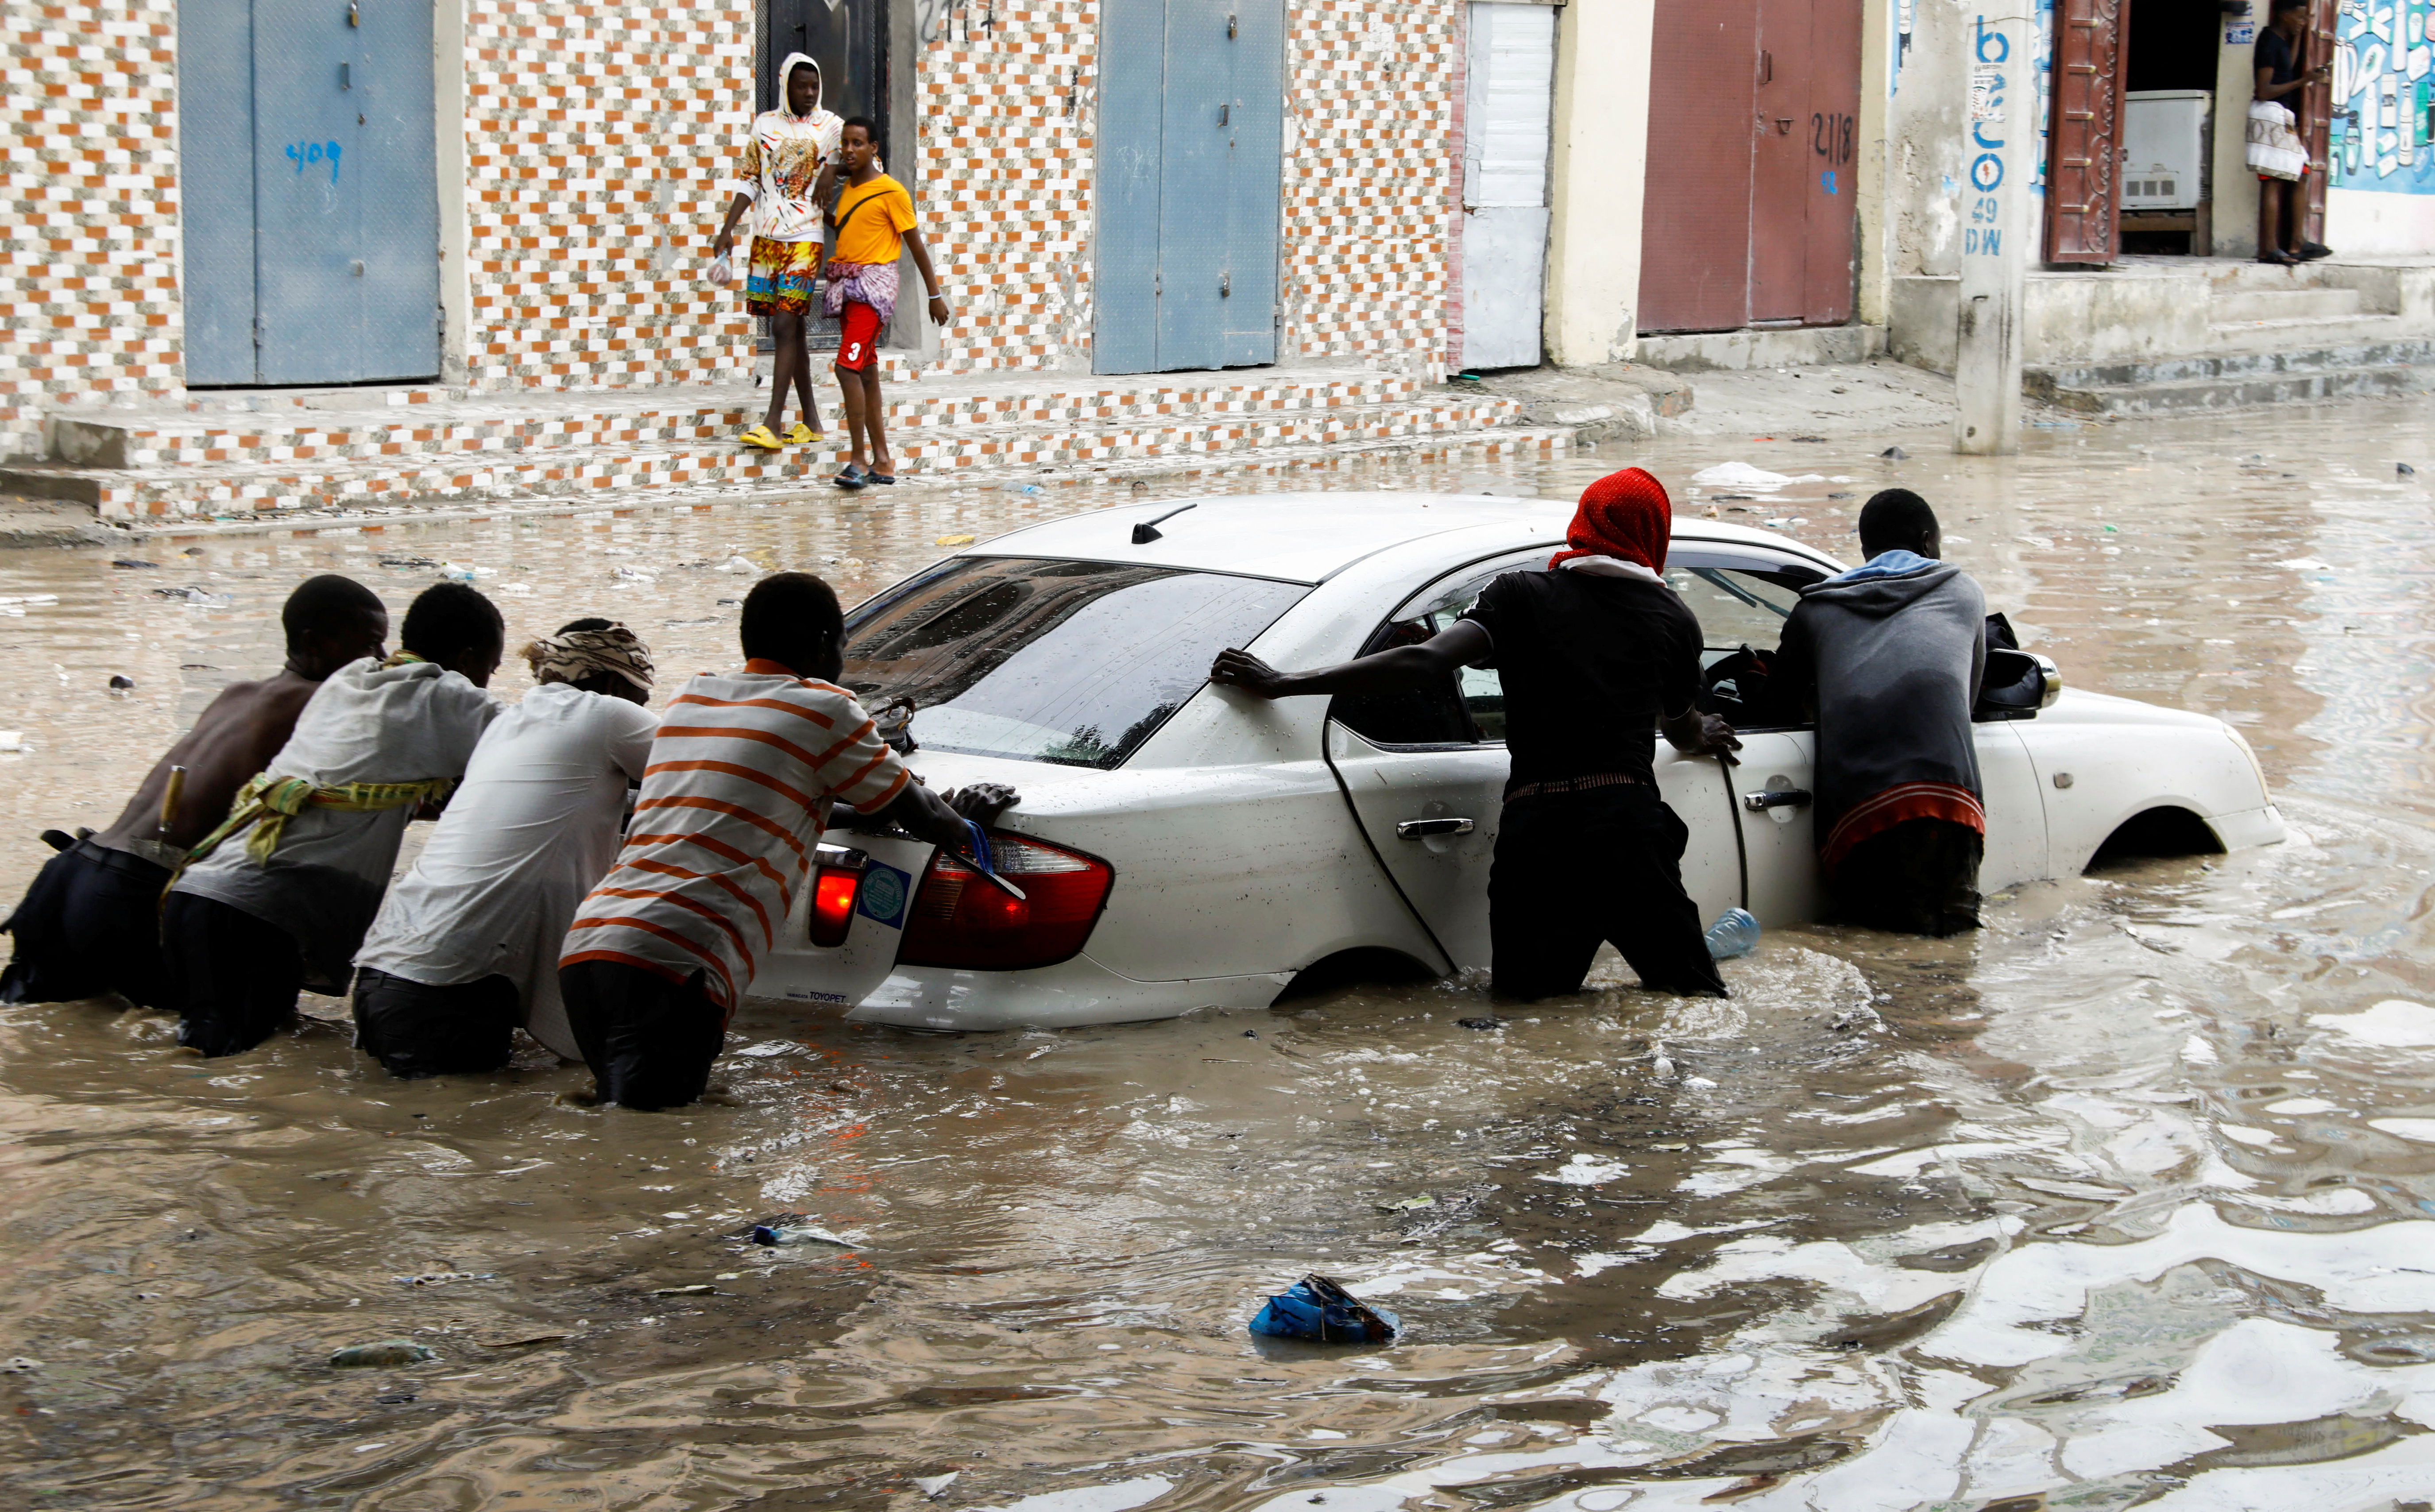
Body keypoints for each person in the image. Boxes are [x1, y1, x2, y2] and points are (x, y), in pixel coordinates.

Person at [1209, 467, 1741, 1002]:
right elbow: (1680, 727)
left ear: (1583, 523)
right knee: (1693, 997)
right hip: (1628, 833)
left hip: (1537, 836)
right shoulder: (1673, 617)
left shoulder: (1521, 594)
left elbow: (1424, 660)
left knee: (1528, 1010)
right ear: (1655, 535)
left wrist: (1282, 682)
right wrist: (1703, 733)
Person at [559, 572, 1013, 1109]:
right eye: (843, 645)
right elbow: (920, 813)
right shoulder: (825, 709)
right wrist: (968, 823)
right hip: (674, 960)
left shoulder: (692, 699)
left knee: (628, 1123)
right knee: (652, 1147)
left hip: (590, 947)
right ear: (823, 642)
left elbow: (770, 798)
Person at [0, 576, 389, 1013]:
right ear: (314, 643)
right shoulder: (326, 703)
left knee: (51, 1030)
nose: (381, 659)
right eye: (370, 645)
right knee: (216, 1043)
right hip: (138, 892)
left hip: (73, 873)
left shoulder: (238, 693)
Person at [162, 582, 507, 1057]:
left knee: (216, 1057)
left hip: (199, 894)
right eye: (490, 668)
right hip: (256, 917)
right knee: (237, 1071)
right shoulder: (452, 700)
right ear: (469, 661)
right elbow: (536, 757)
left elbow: (369, 779)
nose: (486, 681)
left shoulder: (348, 681)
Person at [351, 620, 661, 1079]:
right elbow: (705, 766)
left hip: (382, 978)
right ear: (615, 684)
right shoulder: (606, 713)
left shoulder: (504, 725)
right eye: (642, 698)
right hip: (448, 996)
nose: (642, 709)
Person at [1765, 489, 1988, 938]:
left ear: (1864, 549)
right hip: (1946, 803)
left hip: (1858, 814)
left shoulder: (1815, 609)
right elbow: (1968, 702)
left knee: (1871, 951)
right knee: (1947, 958)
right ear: (1928, 543)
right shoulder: (1963, 592)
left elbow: (1774, 706)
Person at [713, 53, 843, 452]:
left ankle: (772, 423)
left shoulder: (832, 126)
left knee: (786, 326)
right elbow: (751, 180)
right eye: (801, 86)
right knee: (791, 330)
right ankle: (812, 422)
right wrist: (727, 228)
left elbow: (863, 159)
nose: (809, 93)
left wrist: (830, 167)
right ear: (787, 86)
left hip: (806, 237)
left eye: (814, 86)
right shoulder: (765, 125)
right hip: (766, 239)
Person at [822, 116, 951, 490]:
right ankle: (883, 460)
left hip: (872, 293)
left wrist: (935, 295)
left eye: (858, 143)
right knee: (866, 372)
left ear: (874, 148)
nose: (849, 150)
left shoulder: (892, 192)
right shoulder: (847, 190)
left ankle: (858, 460)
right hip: (846, 289)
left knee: (847, 368)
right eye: (845, 143)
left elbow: (916, 246)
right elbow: (852, 230)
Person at [2250, 0, 2332, 265]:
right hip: (2270, 114)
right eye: (2299, 18)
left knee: (2301, 173)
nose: (2303, 22)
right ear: (2283, 15)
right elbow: (2264, 90)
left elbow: (2287, 68)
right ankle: (2270, 249)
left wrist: (2296, 40)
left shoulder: (2280, 40)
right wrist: (2305, 80)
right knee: (2273, 180)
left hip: (2280, 115)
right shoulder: (2268, 41)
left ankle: (2296, 244)